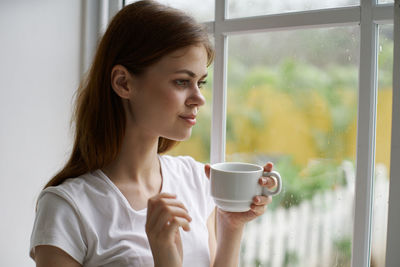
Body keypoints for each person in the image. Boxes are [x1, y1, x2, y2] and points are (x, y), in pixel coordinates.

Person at [29, 1, 277, 266]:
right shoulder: (67, 209)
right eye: (182, 81)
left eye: (200, 83)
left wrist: (231, 226)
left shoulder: (194, 180)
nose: (199, 98)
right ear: (123, 82)